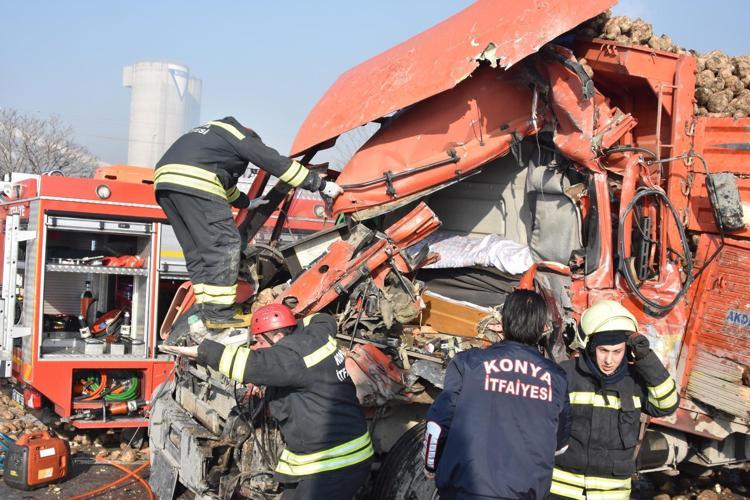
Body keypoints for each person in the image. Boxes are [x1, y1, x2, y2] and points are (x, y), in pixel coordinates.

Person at [160, 303, 372, 500]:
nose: (256, 346)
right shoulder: (318, 336)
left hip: (334, 464)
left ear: (278, 336)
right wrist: (292, 323)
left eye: (260, 341)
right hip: (343, 454)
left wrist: (202, 352)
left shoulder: (291, 359)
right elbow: (323, 318)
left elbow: (250, 364)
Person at [154, 117, 344, 329]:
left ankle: (207, 310)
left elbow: (224, 182)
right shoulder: (240, 135)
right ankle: (219, 315)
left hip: (165, 184)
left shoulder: (212, 137)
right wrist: (320, 185)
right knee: (225, 245)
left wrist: (246, 202)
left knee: (198, 253)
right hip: (196, 181)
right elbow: (274, 162)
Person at [424, 289, 571, 499]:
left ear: (503, 323)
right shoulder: (556, 377)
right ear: (541, 328)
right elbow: (560, 446)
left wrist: (430, 467)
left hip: (466, 491)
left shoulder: (469, 363)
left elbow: (437, 426)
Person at [550, 300, 679, 499]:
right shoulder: (566, 374)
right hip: (561, 490)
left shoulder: (635, 381)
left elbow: (667, 405)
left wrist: (646, 358)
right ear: (590, 346)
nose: (609, 360)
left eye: (617, 351)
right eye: (603, 351)